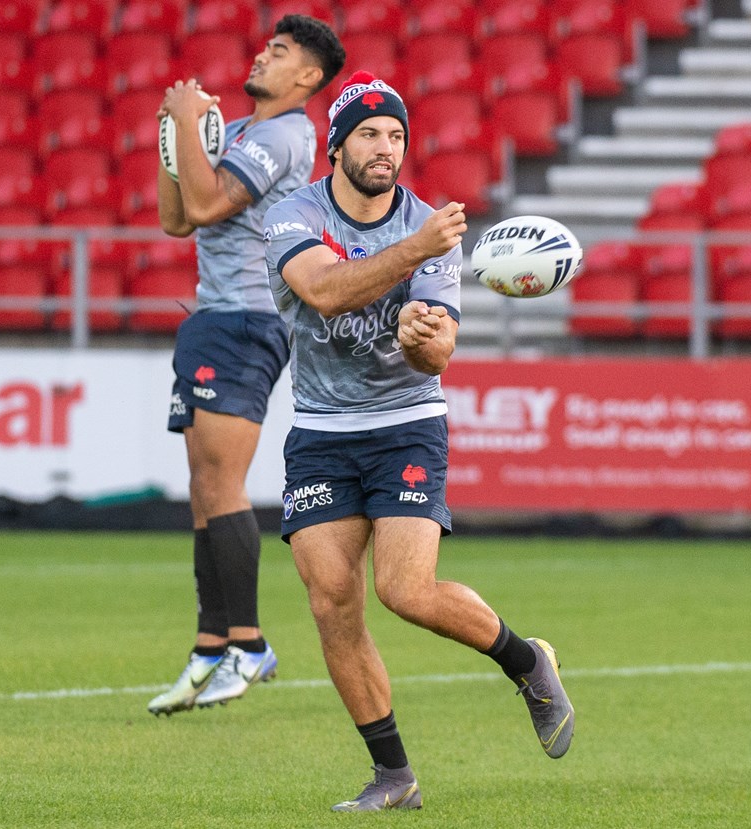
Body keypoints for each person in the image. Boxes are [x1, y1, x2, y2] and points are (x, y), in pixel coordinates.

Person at [262, 71, 575, 810]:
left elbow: (438, 357)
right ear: (338, 144)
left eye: (396, 134)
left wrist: (420, 336)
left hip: (406, 421)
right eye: (369, 132)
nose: (385, 147)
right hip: (320, 431)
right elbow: (327, 289)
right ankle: (394, 777)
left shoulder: (429, 224)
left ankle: (528, 662)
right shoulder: (291, 215)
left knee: (403, 589)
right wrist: (412, 258)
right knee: (331, 602)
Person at [147, 16, 346, 717]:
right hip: (213, 319)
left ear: (307, 79)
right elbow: (180, 218)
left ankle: (250, 643)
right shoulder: (239, 132)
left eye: (282, 51)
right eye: (268, 45)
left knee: (224, 483)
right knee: (204, 487)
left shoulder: (283, 134)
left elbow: (205, 203)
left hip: (246, 321)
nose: (265, 53)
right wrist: (170, 140)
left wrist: (183, 121)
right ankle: (210, 647)